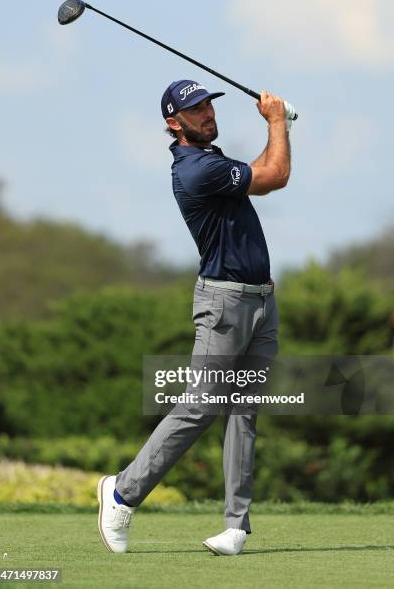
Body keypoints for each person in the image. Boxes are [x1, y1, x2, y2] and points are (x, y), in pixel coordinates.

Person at [97, 79, 291, 556]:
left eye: (208, 105)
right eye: (195, 109)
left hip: (262, 301)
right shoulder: (195, 169)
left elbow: (264, 170)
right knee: (201, 405)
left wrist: (276, 124)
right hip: (224, 303)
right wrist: (277, 122)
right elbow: (276, 176)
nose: (207, 114)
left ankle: (236, 527)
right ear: (173, 122)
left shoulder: (217, 160)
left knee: (243, 413)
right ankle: (122, 493)